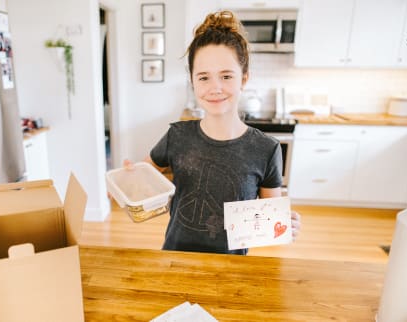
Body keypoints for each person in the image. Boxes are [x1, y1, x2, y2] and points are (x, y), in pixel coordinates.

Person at [128, 10, 301, 255]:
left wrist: (285, 225)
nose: (215, 87)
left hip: (231, 268)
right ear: (193, 81)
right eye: (204, 77)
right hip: (175, 259)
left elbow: (270, 217)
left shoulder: (267, 149)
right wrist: (130, 179)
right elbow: (144, 181)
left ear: (244, 79)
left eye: (226, 76)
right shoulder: (177, 135)